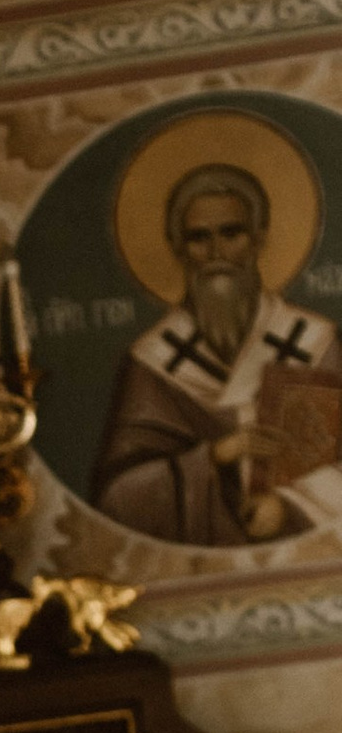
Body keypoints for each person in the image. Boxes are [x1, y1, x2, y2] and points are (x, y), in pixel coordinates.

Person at [92, 158, 342, 546]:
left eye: (231, 233)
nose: (216, 252)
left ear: (258, 238)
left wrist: (288, 505)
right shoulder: (153, 363)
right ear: (178, 247)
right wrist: (215, 456)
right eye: (198, 237)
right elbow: (119, 498)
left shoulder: (315, 342)